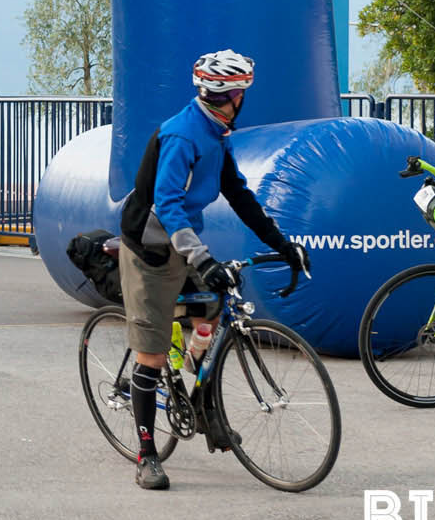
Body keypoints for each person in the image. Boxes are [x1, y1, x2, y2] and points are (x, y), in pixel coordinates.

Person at [116, 49, 310, 491]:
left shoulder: (216, 132)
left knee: (215, 310)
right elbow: (167, 205)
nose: (244, 100)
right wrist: (203, 258)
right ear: (233, 96)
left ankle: (203, 407)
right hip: (150, 248)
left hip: (184, 241)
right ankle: (147, 455)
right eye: (243, 93)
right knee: (151, 357)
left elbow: (238, 194)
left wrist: (283, 245)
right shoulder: (183, 136)